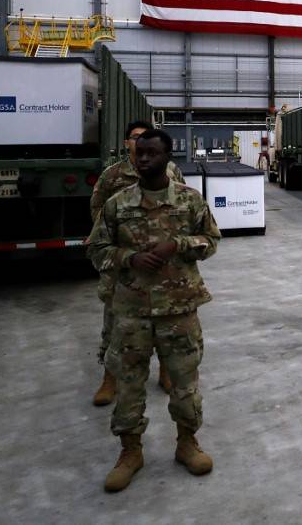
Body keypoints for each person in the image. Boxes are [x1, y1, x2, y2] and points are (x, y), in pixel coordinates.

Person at [87, 129, 220, 492]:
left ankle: (187, 444)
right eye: (139, 153)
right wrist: (128, 257)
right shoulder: (118, 204)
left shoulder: (190, 201)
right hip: (131, 311)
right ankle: (130, 453)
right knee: (129, 386)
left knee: (185, 384)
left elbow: (211, 241)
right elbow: (96, 248)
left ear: (167, 157)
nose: (143, 159)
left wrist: (178, 244)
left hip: (179, 309)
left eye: (151, 153)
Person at [89, 120, 185, 406]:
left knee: (169, 324)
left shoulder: (171, 171)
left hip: (163, 265)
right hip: (125, 268)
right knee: (116, 324)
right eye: (134, 138)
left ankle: (166, 372)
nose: (140, 143)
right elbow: (98, 209)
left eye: (145, 137)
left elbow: (183, 207)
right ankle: (110, 378)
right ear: (126, 143)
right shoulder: (113, 175)